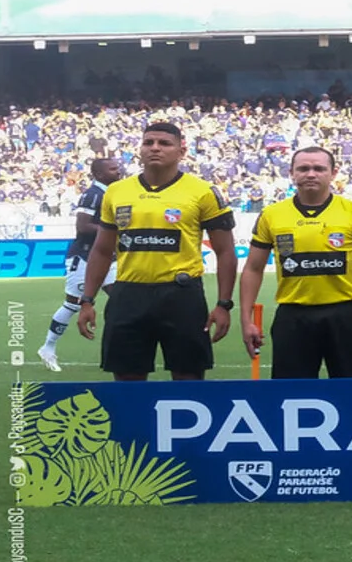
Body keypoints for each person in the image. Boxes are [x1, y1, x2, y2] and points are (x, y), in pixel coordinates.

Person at [76, 122, 237, 381]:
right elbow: (103, 250)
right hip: (128, 294)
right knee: (127, 381)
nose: (155, 148)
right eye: (148, 142)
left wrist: (223, 304)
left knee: (188, 378)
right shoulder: (117, 192)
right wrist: (87, 300)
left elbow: (225, 251)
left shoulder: (203, 192)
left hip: (182, 295)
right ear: (139, 149)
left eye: (164, 143)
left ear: (181, 151)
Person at [239, 146, 352, 379]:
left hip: (346, 315)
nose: (311, 174)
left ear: (333, 173)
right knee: (291, 394)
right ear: (291, 173)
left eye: (319, 169)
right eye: (303, 168)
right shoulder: (272, 214)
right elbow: (253, 268)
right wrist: (246, 320)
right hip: (293, 316)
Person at [38, 157, 124, 371]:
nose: (119, 171)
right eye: (113, 169)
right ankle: (48, 347)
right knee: (73, 303)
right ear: (100, 174)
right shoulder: (92, 195)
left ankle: (124, 347)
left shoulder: (112, 193)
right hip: (84, 257)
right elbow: (83, 226)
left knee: (122, 298)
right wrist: (113, 231)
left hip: (108, 258)